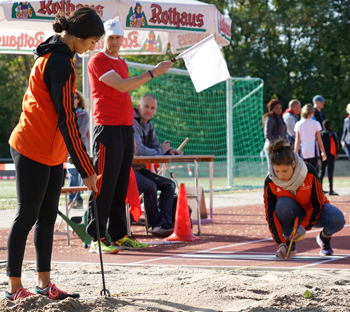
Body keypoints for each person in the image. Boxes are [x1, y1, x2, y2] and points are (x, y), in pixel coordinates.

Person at [6, 8, 103, 301]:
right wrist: (87, 169)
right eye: (92, 41)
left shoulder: (60, 54)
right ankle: (13, 289)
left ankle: (45, 285)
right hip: (32, 146)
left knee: (47, 216)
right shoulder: (59, 62)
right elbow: (66, 120)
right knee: (27, 215)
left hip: (52, 151)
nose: (93, 47)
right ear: (79, 36)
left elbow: (63, 123)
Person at [86, 19, 173, 254]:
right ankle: (95, 237)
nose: (114, 41)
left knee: (120, 184)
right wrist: (154, 71)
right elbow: (123, 87)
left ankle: (120, 234)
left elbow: (125, 88)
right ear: (104, 38)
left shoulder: (122, 63)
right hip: (107, 128)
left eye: (118, 37)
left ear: (123, 39)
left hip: (126, 129)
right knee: (103, 183)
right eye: (110, 37)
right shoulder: (97, 60)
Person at [264, 139, 345, 260]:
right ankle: (287, 243)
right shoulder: (270, 181)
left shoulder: (309, 172)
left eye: (284, 171)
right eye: (277, 171)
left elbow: (317, 204)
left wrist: (302, 228)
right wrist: (280, 243)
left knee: (338, 219)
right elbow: (270, 214)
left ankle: (324, 238)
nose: (281, 176)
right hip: (290, 211)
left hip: (314, 212)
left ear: (293, 163)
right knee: (283, 204)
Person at [133, 94, 183, 237]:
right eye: (146, 106)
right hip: (126, 169)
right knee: (150, 187)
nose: (149, 110)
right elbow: (139, 150)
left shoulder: (150, 125)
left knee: (169, 184)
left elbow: (156, 147)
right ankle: (156, 225)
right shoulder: (131, 122)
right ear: (139, 107)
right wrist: (161, 150)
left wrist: (168, 152)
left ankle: (166, 223)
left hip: (139, 169)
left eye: (152, 108)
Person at [67, 90, 90, 208]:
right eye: (70, 97)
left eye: (75, 97)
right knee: (72, 175)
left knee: (82, 174)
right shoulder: (65, 113)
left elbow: (82, 132)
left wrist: (69, 134)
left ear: (79, 99)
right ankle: (73, 200)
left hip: (81, 148)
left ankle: (81, 199)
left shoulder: (84, 114)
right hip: (68, 148)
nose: (73, 99)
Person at [294, 104, 327, 169]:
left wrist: (295, 154)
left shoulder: (298, 124)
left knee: (303, 170)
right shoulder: (316, 123)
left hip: (303, 149)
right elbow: (319, 139)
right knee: (313, 170)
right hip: (313, 150)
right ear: (312, 112)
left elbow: (297, 140)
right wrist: (323, 152)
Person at [262, 99, 287, 168]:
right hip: (271, 147)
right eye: (276, 108)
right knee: (272, 168)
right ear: (272, 109)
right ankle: (270, 179)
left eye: (280, 108)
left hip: (280, 147)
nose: (279, 110)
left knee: (279, 168)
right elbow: (267, 134)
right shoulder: (270, 118)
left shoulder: (280, 118)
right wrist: (277, 142)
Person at [320, 120, 339, 196]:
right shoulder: (332, 133)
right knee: (330, 172)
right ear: (330, 126)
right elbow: (335, 143)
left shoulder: (320, 133)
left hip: (322, 155)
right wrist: (336, 153)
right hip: (331, 155)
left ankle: (319, 189)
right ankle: (331, 190)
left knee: (321, 172)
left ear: (323, 126)